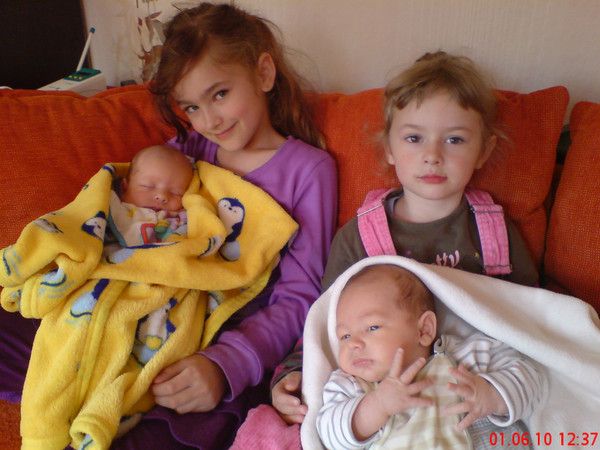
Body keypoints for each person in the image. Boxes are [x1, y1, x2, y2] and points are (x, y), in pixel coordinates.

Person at [0, 3, 337, 449]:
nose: (209, 120)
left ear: (264, 73)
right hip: (129, 311)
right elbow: (125, 208)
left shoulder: (308, 170)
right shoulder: (188, 150)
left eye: (220, 94)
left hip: (207, 344)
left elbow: (302, 296)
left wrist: (226, 364)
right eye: (192, 106)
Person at [272, 51, 538, 425]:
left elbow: (531, 323)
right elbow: (328, 326)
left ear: (484, 150)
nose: (432, 155)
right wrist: (292, 373)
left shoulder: (493, 230)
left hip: (473, 387)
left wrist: (499, 391)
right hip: (385, 397)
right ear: (389, 149)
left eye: (455, 139)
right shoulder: (360, 237)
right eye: (414, 138)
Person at [317, 264, 545, 449]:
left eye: (372, 327)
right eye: (344, 336)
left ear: (424, 330)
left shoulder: (464, 359)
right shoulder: (350, 386)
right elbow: (328, 436)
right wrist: (377, 406)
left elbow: (532, 380)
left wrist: (492, 395)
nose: (354, 344)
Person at [110, 144, 193, 246]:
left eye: (176, 193)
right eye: (148, 186)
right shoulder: (112, 207)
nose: (162, 196)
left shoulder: (182, 220)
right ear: (124, 188)